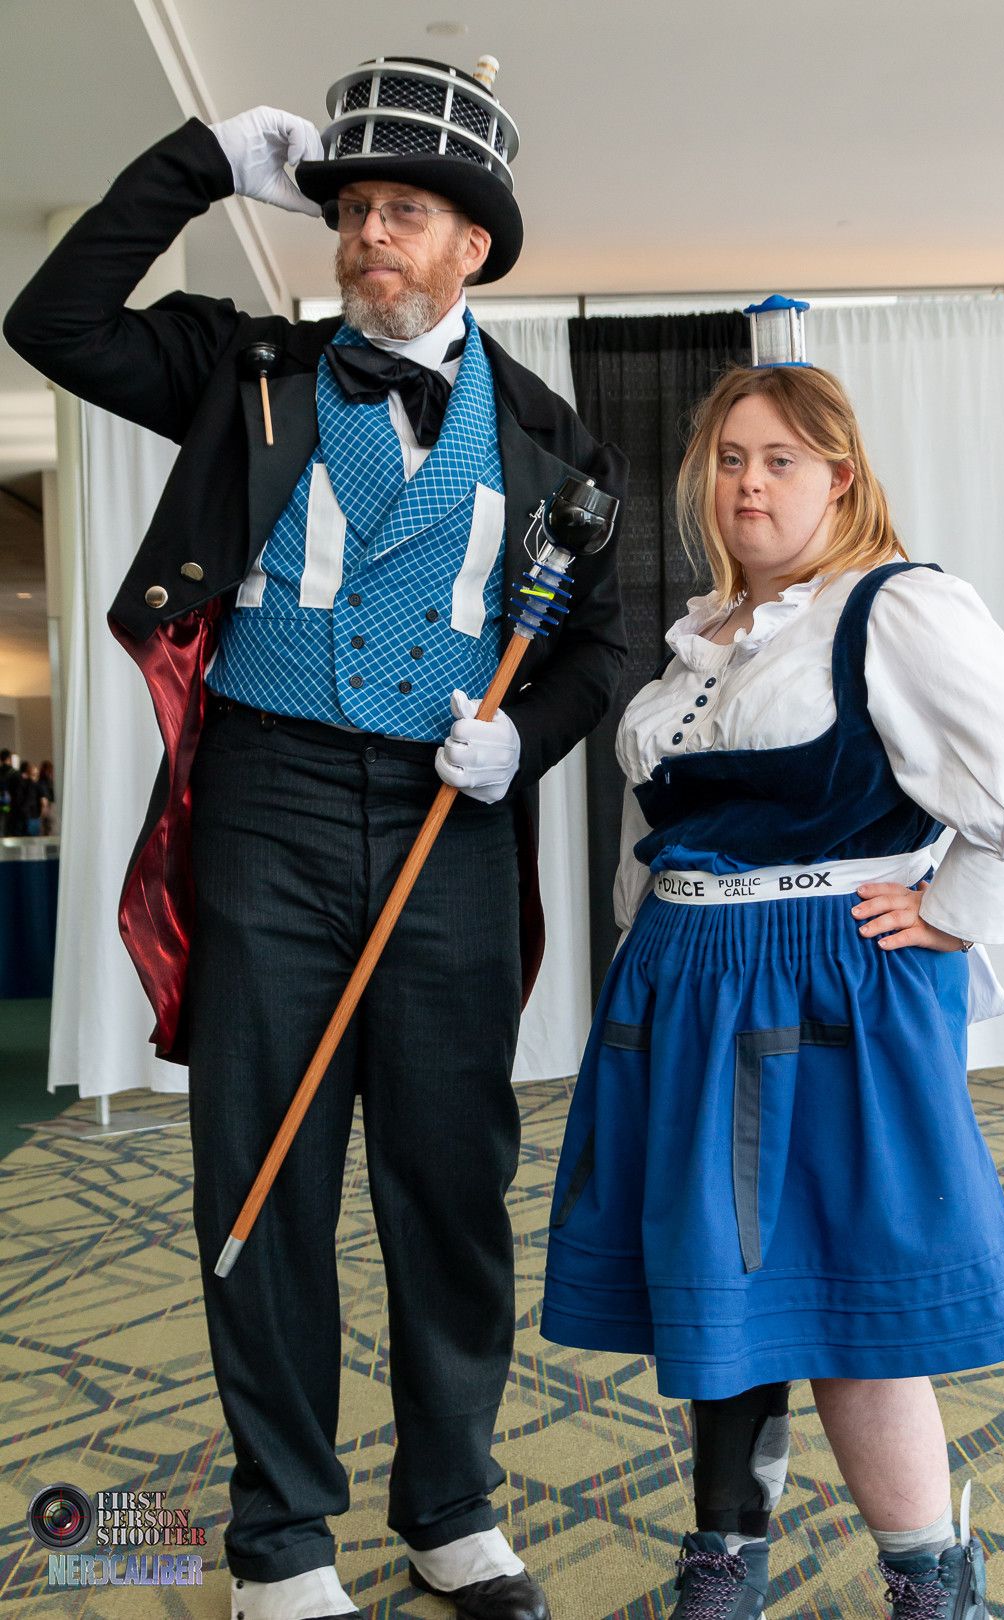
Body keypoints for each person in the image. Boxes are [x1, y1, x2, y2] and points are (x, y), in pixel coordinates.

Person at [5, 56, 627, 1620]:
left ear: (472, 243)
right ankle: (282, 1535)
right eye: (351, 210)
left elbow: (599, 643)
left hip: (449, 826)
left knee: (450, 1174)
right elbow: (51, 324)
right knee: (263, 1173)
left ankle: (452, 1507)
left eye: (402, 212)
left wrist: (525, 744)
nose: (366, 239)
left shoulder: (553, 429)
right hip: (268, 812)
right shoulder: (246, 369)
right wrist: (204, 159)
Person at [541, 343, 1004, 1619]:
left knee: (850, 1294)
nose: (748, 483)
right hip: (682, 985)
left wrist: (956, 915)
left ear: (839, 478)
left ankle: (928, 1576)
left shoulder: (893, 607)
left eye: (780, 460)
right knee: (713, 1280)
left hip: (829, 986)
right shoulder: (698, 645)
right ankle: (726, 1548)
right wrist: (636, 965)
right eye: (729, 460)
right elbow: (647, 829)